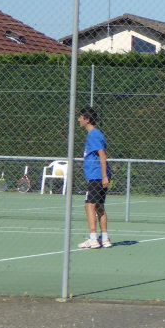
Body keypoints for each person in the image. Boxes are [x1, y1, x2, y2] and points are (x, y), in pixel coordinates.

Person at [77, 107, 113, 249]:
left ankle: (93, 238)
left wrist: (104, 176)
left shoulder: (94, 134)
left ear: (87, 120)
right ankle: (104, 238)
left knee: (89, 205)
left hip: (97, 176)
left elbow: (102, 154)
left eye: (81, 117)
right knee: (99, 206)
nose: (79, 120)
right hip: (97, 175)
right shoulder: (95, 134)